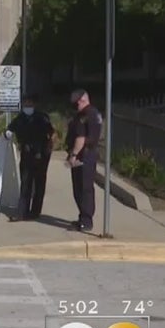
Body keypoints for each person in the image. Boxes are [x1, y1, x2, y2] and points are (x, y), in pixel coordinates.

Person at [5, 94, 55, 222]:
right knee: (26, 183)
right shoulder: (20, 118)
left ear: (34, 105)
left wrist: (46, 149)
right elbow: (11, 128)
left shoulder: (42, 118)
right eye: (25, 104)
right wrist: (8, 133)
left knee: (39, 183)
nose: (27, 106)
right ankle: (22, 212)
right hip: (27, 154)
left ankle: (35, 212)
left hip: (41, 154)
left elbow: (51, 133)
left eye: (30, 104)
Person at [66, 89, 103, 232]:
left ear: (83, 100)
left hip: (83, 156)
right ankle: (84, 218)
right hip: (89, 154)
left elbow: (80, 138)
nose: (76, 106)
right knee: (84, 188)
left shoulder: (85, 115)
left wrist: (73, 154)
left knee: (82, 188)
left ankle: (86, 221)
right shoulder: (95, 113)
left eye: (77, 103)